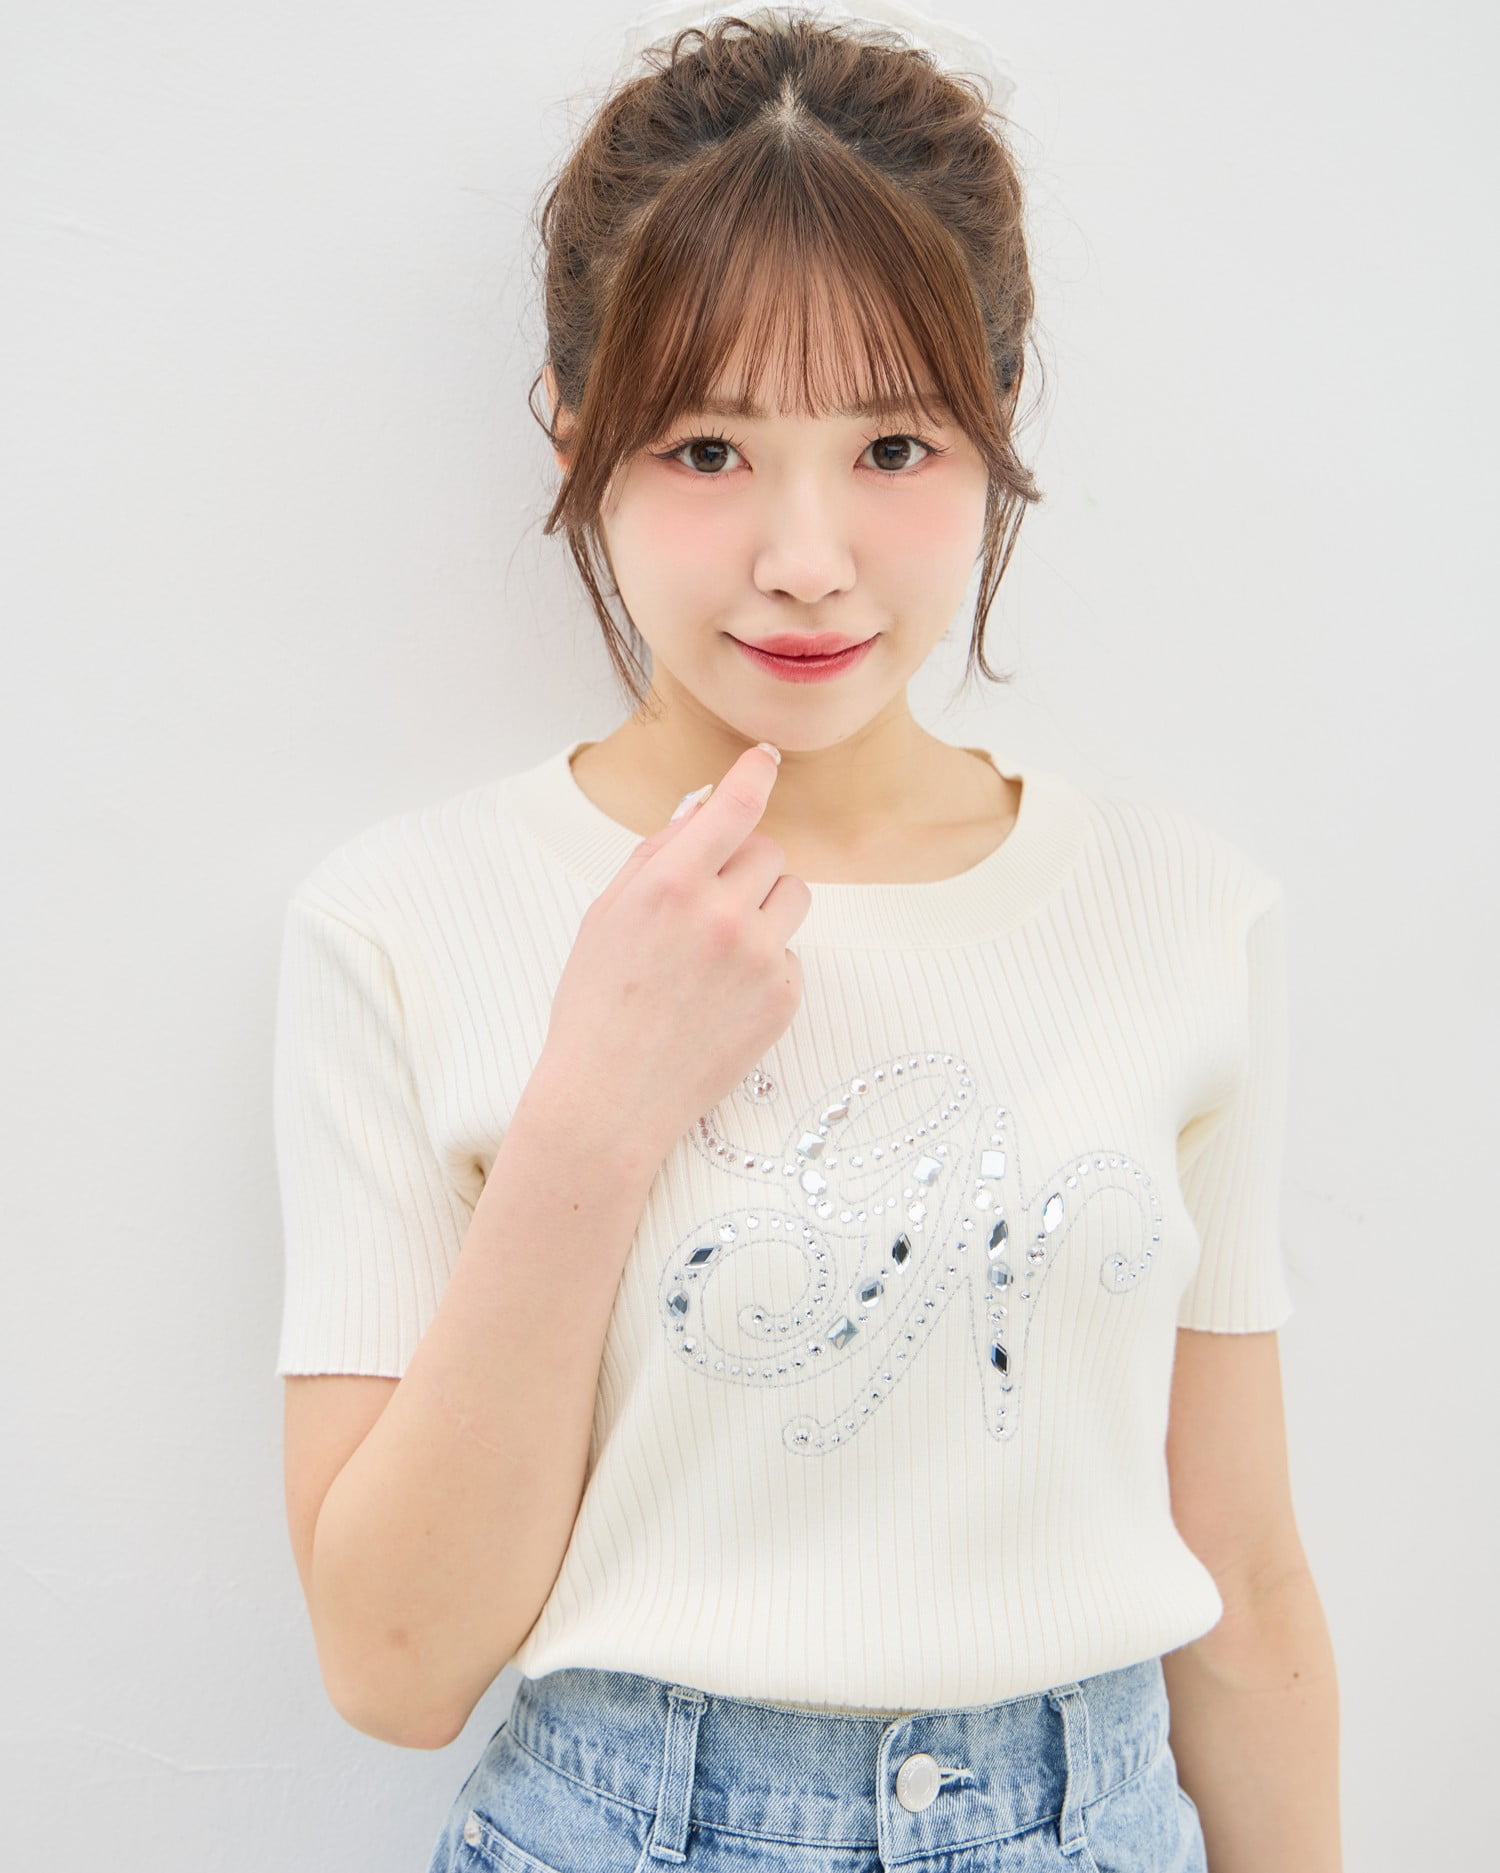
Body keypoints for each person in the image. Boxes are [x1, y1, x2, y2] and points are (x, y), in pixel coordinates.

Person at [273, 8, 1342, 1869]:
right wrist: (596, 1109)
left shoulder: (1180, 914)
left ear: (997, 426)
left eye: (893, 445)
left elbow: (1244, 1587)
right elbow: (394, 1662)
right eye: (707, 447)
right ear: (574, 427)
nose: (806, 554)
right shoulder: (405, 922)